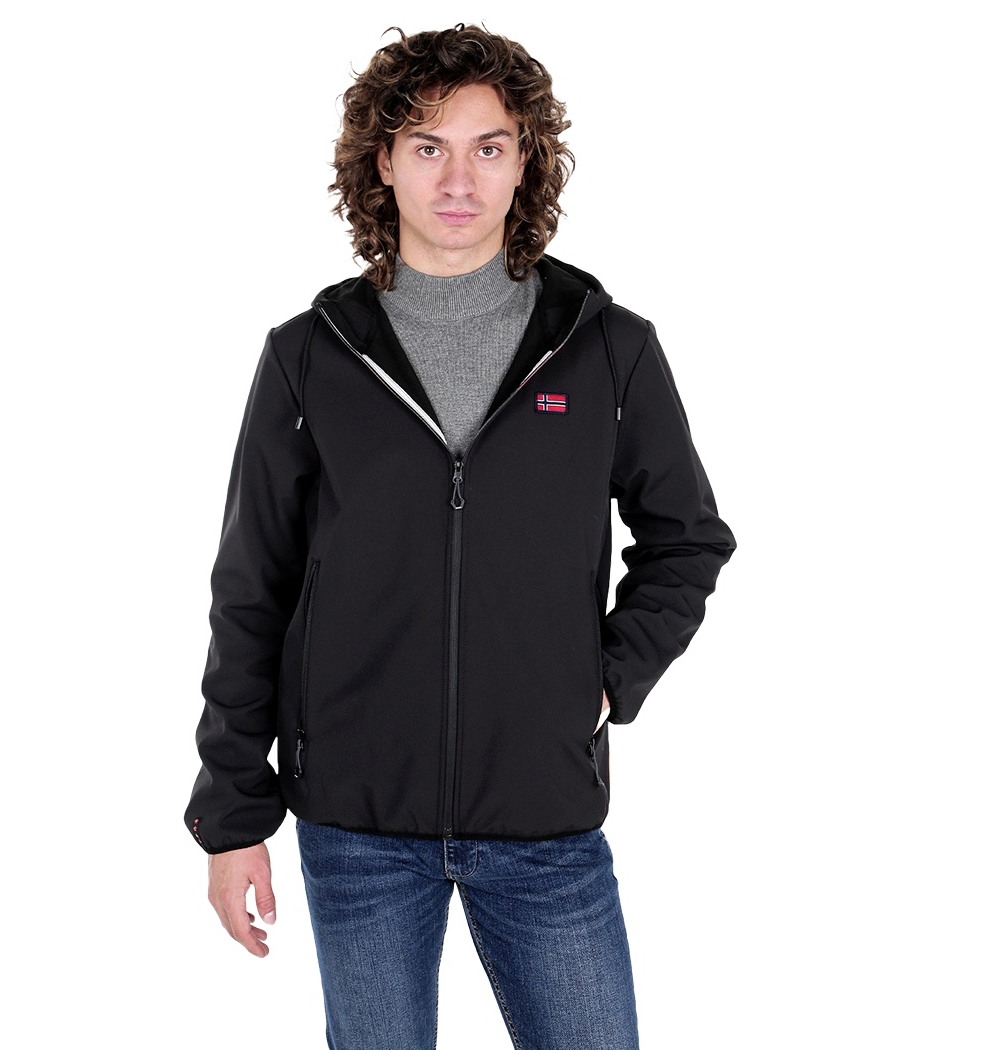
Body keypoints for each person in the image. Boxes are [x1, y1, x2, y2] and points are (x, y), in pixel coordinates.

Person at [185, 24, 735, 1050]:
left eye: (489, 147)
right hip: (354, 821)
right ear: (382, 163)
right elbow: (251, 587)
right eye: (427, 146)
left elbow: (688, 538)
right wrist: (232, 815)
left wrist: (603, 681)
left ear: (526, 163)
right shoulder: (309, 357)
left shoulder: (608, 350)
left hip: (542, 817)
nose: (458, 179)